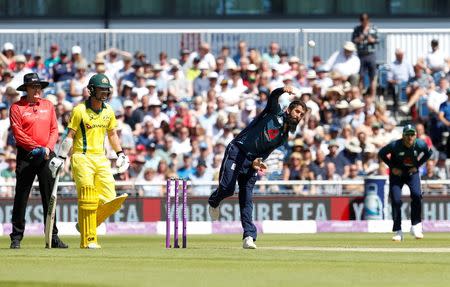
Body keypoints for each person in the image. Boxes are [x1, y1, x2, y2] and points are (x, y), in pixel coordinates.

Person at [208, 86, 307, 249]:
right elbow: (274, 96)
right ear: (289, 109)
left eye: (302, 115)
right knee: (227, 189)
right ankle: (214, 201)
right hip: (237, 150)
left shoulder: (284, 136)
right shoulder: (273, 112)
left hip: (252, 161)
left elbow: (267, 150)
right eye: (297, 112)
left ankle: (249, 236)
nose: (299, 116)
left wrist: (259, 161)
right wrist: (283, 89)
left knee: (247, 198)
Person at [48, 73, 130, 249]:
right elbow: (70, 136)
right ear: (91, 90)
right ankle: (89, 239)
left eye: (106, 90)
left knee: (110, 199)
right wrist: (61, 156)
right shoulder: (79, 110)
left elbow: (112, 134)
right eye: (101, 90)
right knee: (88, 196)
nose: (104, 93)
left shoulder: (108, 111)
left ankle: (86, 224)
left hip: (101, 159)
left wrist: (121, 153)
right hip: (81, 157)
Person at [8, 73, 68, 249]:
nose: (37, 90)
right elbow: (18, 133)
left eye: (39, 87)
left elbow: (54, 129)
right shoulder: (17, 108)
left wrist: (47, 148)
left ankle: (53, 236)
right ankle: (16, 237)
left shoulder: (48, 105)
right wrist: (36, 148)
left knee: (50, 198)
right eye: (34, 87)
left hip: (47, 155)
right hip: (27, 156)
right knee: (21, 196)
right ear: (26, 89)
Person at [378, 124, 432, 241]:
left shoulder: (420, 144)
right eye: (407, 135)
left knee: (417, 195)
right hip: (397, 175)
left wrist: (417, 165)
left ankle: (416, 226)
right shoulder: (395, 145)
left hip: (412, 173)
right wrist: (392, 167)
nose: (410, 137)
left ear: (415, 135)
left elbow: (429, 153)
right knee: (396, 200)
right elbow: (381, 153)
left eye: (412, 134)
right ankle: (398, 231)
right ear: (403, 136)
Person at [352, 13, 378, 98]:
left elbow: (377, 40)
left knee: (372, 76)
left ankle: (372, 96)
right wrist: (361, 37)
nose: (364, 22)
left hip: (370, 54)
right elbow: (354, 40)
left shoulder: (373, 28)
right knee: (361, 76)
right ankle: (360, 95)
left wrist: (372, 39)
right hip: (361, 55)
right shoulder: (357, 29)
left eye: (365, 20)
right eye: (362, 20)